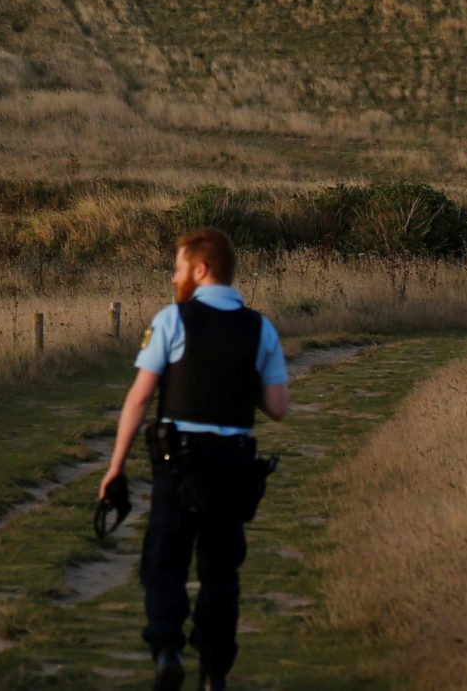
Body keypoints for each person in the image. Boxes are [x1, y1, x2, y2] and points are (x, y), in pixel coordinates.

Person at [97, 227, 290, 691]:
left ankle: (166, 649)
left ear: (201, 270)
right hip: (234, 463)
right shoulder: (260, 328)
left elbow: (140, 397)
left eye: (179, 267)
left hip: (178, 460)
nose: (173, 278)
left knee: (165, 559)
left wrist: (116, 466)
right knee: (220, 570)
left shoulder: (172, 320)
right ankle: (214, 671)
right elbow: (278, 407)